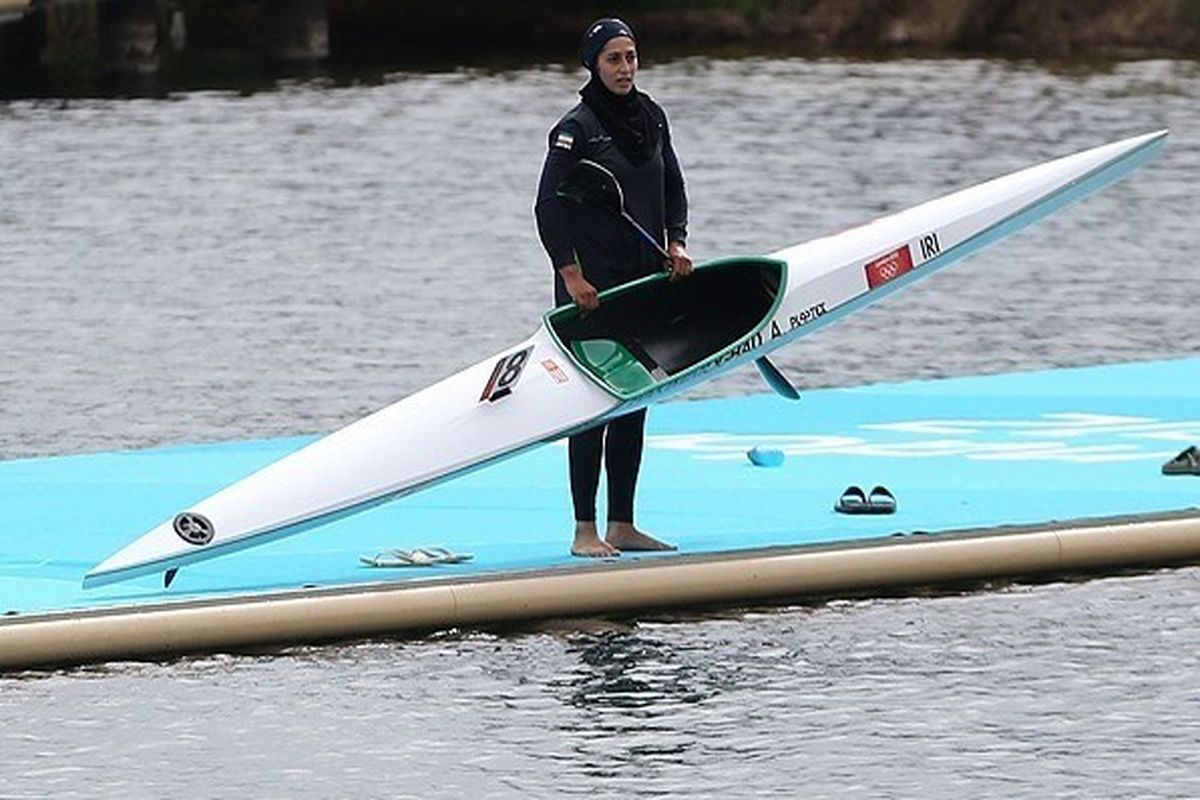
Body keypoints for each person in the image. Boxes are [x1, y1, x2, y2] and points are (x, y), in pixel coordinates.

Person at [535, 17, 693, 558]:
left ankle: (622, 523)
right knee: (591, 406)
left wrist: (676, 243)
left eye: (631, 57)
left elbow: (671, 185)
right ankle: (585, 530)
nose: (625, 68)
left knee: (635, 401)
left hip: (645, 281)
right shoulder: (575, 129)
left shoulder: (652, 117)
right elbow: (547, 207)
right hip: (593, 292)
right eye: (614, 59)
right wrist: (570, 274)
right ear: (593, 66)